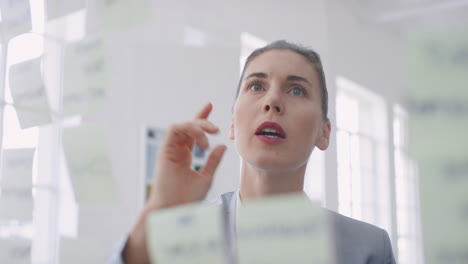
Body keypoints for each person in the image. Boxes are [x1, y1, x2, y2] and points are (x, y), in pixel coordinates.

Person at [110, 40, 396, 264]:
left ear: (324, 132)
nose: (272, 101)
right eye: (256, 86)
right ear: (233, 124)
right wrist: (159, 210)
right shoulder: (179, 238)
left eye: (296, 90)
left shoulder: (368, 249)